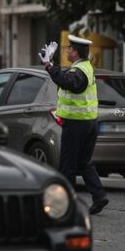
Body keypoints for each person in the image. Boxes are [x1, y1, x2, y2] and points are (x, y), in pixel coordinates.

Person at [41, 36, 109, 215]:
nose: (67, 51)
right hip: (89, 122)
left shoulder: (79, 70)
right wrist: (52, 64)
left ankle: (67, 204)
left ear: (76, 52)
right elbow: (66, 77)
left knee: (68, 165)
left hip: (76, 124)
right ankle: (99, 195)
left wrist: (49, 66)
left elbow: (70, 83)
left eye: (69, 49)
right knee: (83, 162)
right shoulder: (85, 67)